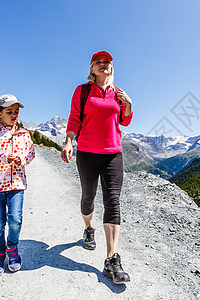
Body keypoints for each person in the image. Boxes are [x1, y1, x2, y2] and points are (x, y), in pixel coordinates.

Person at [61, 50, 133, 284]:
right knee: (88, 197)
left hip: (113, 153)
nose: (104, 65)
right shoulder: (82, 91)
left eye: (107, 62)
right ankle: (89, 228)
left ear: (111, 68)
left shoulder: (117, 94)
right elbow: (74, 118)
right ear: (92, 68)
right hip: (87, 153)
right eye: (98, 62)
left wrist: (128, 104)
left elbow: (123, 120)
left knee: (113, 200)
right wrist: (69, 141)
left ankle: (111, 259)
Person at [0, 94, 35, 277]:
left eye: (16, 112)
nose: (14, 115)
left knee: (15, 219)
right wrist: (3, 158)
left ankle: (12, 248)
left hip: (17, 184)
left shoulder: (24, 134)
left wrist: (22, 159)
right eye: (9, 112)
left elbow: (31, 154)